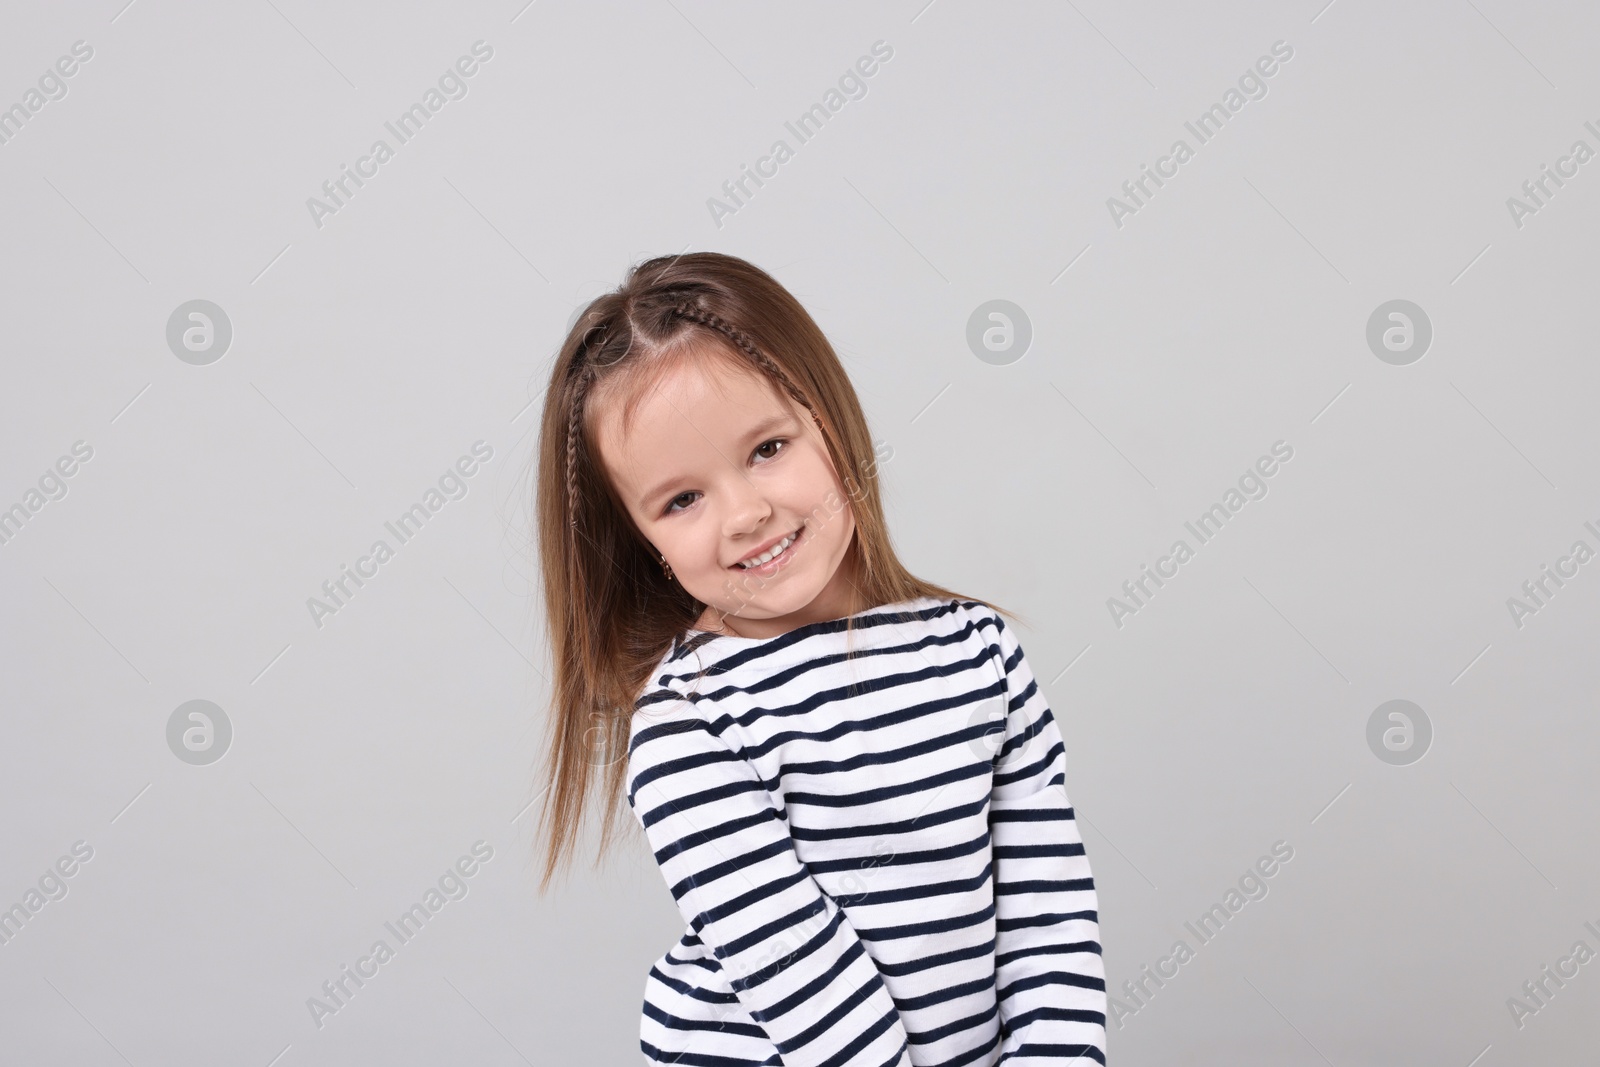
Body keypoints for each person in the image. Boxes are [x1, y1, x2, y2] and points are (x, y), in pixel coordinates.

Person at [530, 251, 1107, 1065]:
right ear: (644, 540)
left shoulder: (979, 654)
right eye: (682, 499)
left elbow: (1048, 912)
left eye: (767, 447)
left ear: (828, 419)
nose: (747, 512)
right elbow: (802, 976)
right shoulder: (688, 725)